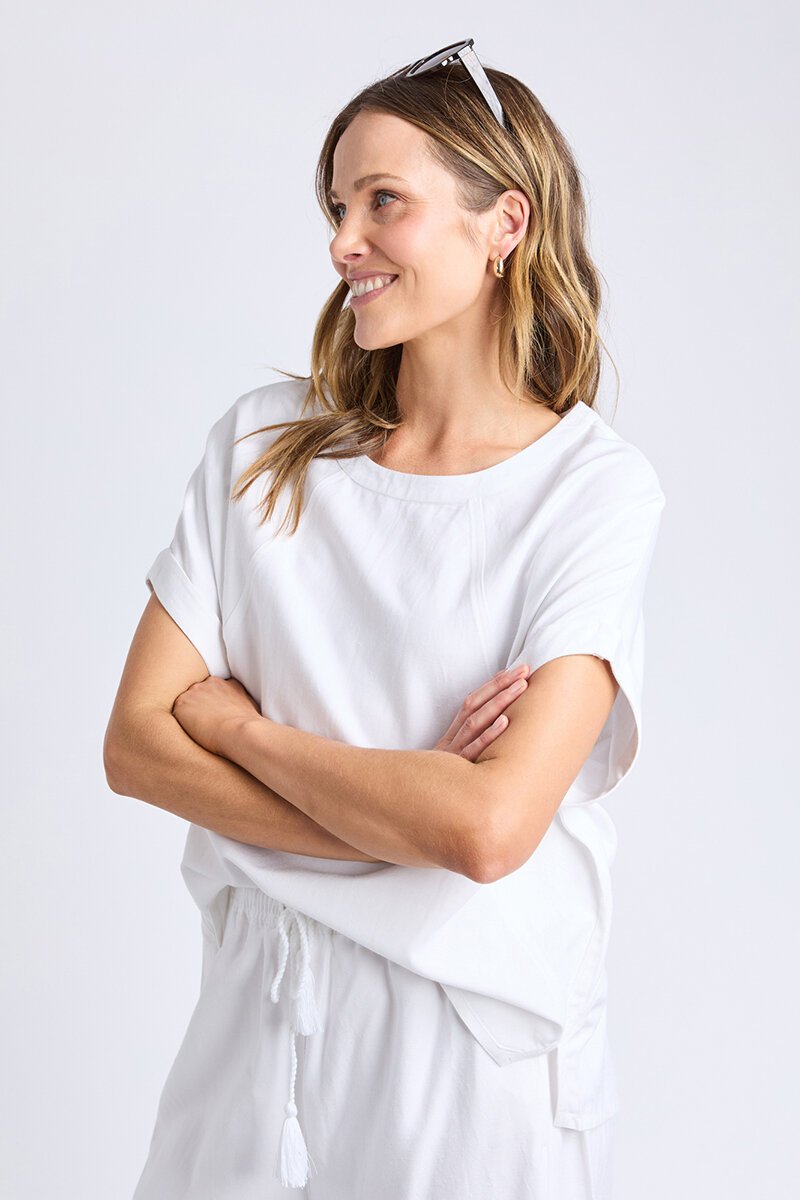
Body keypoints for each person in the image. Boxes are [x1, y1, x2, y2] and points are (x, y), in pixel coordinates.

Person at [104, 39, 666, 1200]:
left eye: (382, 202)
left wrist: (242, 732)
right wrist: (402, 809)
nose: (341, 242)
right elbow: (135, 747)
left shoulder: (589, 491)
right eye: (337, 207)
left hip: (471, 1059)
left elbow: (488, 830)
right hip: (256, 1036)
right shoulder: (262, 450)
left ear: (502, 222)